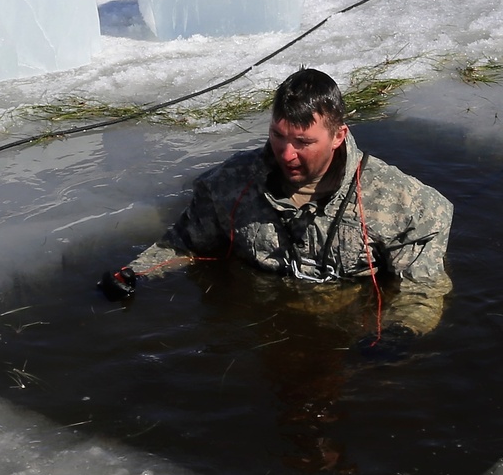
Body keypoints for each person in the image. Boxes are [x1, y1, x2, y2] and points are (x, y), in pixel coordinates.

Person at [101, 68, 453, 347]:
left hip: (350, 332)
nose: (287, 154)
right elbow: (185, 242)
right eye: (278, 136)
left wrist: (401, 333)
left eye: (303, 142)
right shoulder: (230, 183)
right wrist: (134, 274)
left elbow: (423, 287)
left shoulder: (402, 200)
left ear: (338, 135)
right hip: (264, 327)